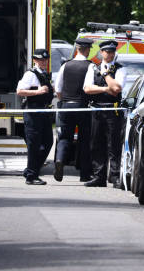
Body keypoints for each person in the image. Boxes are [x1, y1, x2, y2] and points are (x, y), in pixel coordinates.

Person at [83, 40, 126, 188]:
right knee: (96, 144)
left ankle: (114, 176)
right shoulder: (92, 68)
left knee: (113, 145)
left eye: (112, 51)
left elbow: (117, 88)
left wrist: (106, 73)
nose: (110, 54)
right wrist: (105, 89)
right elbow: (87, 89)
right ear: (101, 53)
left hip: (112, 110)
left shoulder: (120, 69)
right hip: (96, 110)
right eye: (107, 51)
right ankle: (98, 176)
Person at [53, 37, 94, 182]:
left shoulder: (66, 65)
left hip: (66, 106)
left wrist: (63, 100)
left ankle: (60, 160)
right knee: (84, 140)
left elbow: (58, 88)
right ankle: (84, 174)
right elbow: (88, 87)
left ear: (77, 49)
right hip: (82, 107)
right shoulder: (90, 66)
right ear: (87, 50)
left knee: (64, 137)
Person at [16, 49, 54, 185]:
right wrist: (38, 92)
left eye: (45, 60)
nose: (43, 62)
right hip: (33, 112)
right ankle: (31, 176)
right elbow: (19, 91)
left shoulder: (44, 74)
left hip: (44, 112)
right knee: (34, 145)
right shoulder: (30, 74)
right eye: (40, 60)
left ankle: (31, 170)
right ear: (35, 60)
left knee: (48, 142)